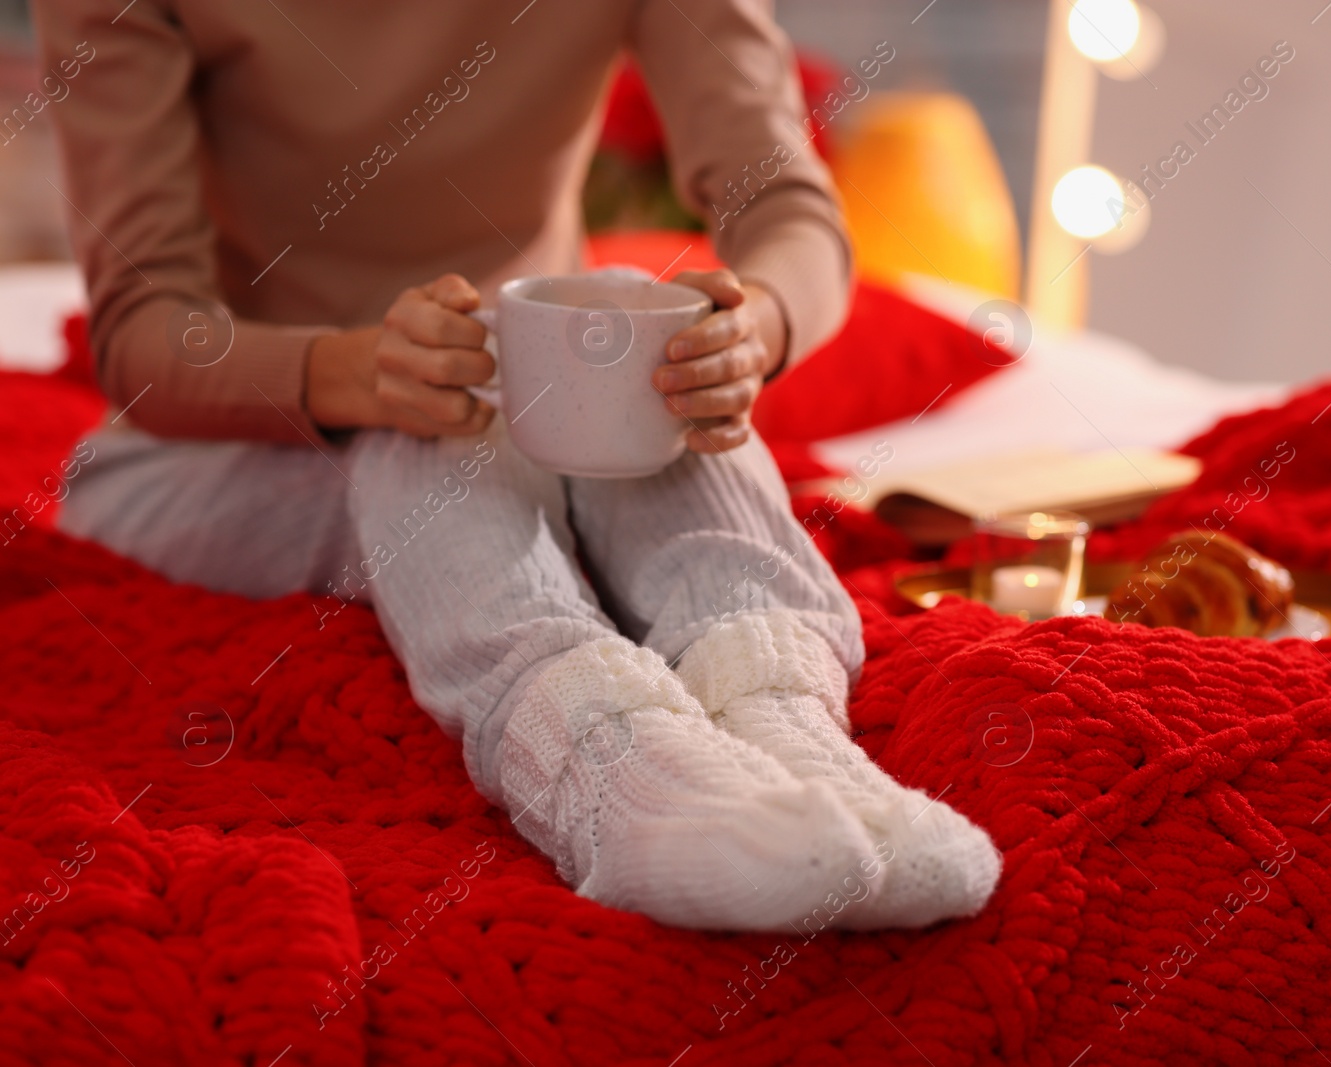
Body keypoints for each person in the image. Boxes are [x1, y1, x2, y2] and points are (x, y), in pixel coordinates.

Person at [38, 0, 999, 930]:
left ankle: (787, 726)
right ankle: (608, 779)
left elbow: (784, 201)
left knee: (628, 312)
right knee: (441, 424)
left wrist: (757, 323)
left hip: (532, 418)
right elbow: (143, 334)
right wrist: (364, 371)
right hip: (216, 457)